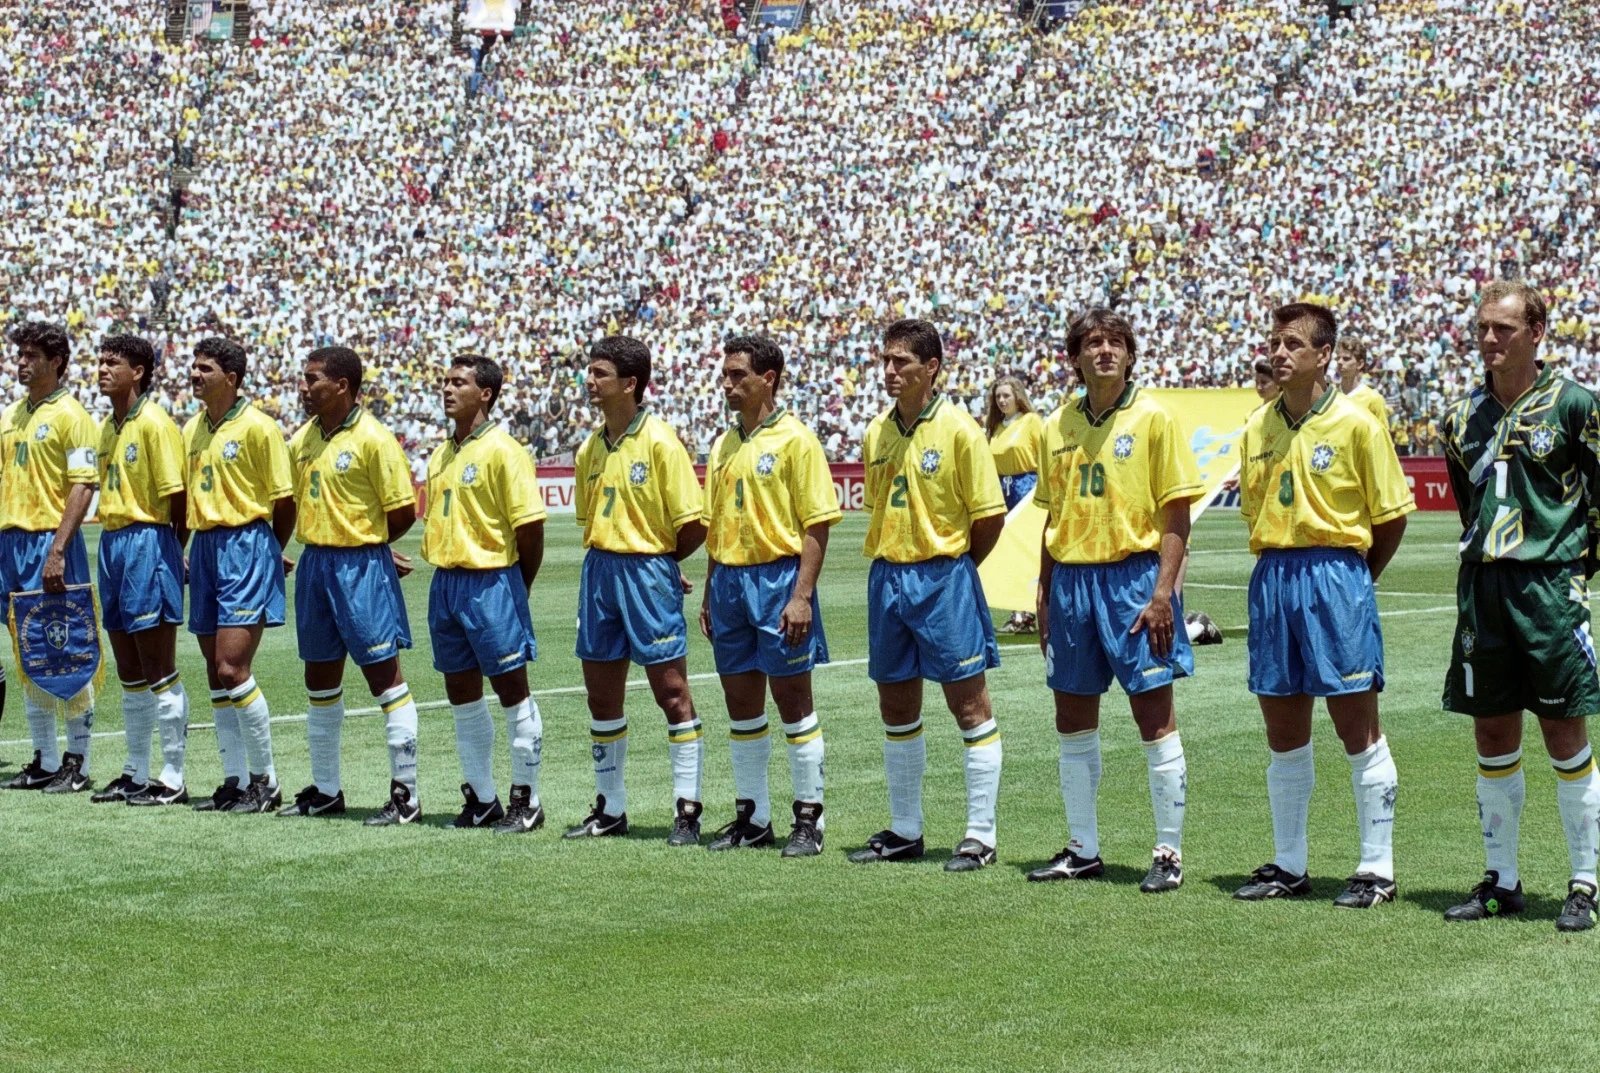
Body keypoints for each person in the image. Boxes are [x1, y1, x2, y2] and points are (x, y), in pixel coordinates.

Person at [1234, 302, 1413, 908]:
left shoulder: (1357, 423)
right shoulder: (1256, 428)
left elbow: (1390, 520)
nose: (1279, 354)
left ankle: (1376, 868)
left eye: (1292, 344)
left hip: (1336, 575)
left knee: (1356, 727)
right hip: (1274, 576)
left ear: (1323, 355)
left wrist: (1356, 580)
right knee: (1283, 730)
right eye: (1275, 342)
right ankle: (1289, 863)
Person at [1439, 281, 1600, 932]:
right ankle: (1501, 879)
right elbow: (1466, 504)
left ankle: (1585, 880)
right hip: (1484, 589)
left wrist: (1579, 572)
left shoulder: (1574, 404)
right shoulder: (1459, 419)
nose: (1489, 339)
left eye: (1503, 328)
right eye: (1481, 327)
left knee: (1565, 732)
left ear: (1536, 332)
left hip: (1549, 588)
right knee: (1492, 731)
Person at [1027, 309, 1201, 892]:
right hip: (1072, 582)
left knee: (1154, 717)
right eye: (1092, 343)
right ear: (1075, 356)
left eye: (1115, 342)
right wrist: (1045, 592)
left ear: (1130, 354)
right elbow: (1051, 517)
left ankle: (1169, 853)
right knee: (1072, 718)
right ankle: (1082, 847)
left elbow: (1177, 514)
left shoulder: (1154, 418)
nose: (1104, 351)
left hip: (1132, 580)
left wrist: (1162, 593)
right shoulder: (1056, 425)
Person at [848, 318, 1006, 872]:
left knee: (968, 703)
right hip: (887, 575)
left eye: (902, 362)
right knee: (896, 703)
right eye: (886, 361)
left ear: (931, 368)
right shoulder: (877, 431)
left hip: (943, 577)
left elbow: (989, 517)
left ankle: (980, 835)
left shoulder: (961, 430)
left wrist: (954, 569)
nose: (890, 372)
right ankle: (906, 829)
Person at [698, 334, 840, 856]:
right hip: (731, 583)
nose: (728, 385)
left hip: (778, 580)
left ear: (769, 379)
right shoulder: (723, 444)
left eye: (739, 375)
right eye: (726, 375)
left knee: (793, 701)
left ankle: (810, 818)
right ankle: (753, 816)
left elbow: (816, 525)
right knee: (741, 704)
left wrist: (801, 595)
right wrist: (711, 591)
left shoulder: (797, 440)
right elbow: (715, 527)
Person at [564, 336, 709, 845]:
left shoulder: (662, 443)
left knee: (671, 693)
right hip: (600, 572)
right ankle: (610, 809)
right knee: (601, 698)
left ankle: (687, 811)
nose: (590, 380)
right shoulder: (589, 448)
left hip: (647, 573)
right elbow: (591, 518)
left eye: (600, 373)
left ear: (630, 384)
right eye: (589, 371)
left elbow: (694, 524)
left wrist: (662, 563)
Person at [280, 346, 423, 824]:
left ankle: (406, 794)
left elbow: (402, 510)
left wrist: (372, 543)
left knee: (384, 678)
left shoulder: (374, 439)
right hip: (316, 564)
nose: (304, 386)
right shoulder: (303, 438)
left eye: (312, 378)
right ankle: (325, 790)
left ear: (341, 385)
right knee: (319, 681)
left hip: (360, 568)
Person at [421, 355, 548, 832]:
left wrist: (519, 585)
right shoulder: (442, 453)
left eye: (460, 383)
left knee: (512, 691)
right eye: (446, 381)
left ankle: (527, 801)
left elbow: (529, 530)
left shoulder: (504, 450)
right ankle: (482, 797)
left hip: (492, 579)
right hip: (447, 584)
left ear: (487, 394)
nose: (448, 389)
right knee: (461, 694)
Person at [183, 337, 296, 814]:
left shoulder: (259, 428)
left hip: (245, 543)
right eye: (193, 366)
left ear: (230, 377)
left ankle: (265, 781)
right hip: (206, 547)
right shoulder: (191, 428)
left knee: (233, 667)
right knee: (214, 671)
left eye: (204, 368)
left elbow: (284, 502)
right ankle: (232, 779)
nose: (194, 375)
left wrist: (270, 550)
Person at [88, 333, 191, 806]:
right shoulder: (108, 427)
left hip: (148, 540)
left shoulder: (155, 423)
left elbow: (178, 500)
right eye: (101, 361)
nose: (103, 369)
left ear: (140, 372)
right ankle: (135, 770)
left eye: (113, 363)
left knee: (157, 666)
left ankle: (172, 777)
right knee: (129, 667)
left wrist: (171, 552)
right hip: (112, 543)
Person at [1, 321, 99, 793]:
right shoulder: (11, 415)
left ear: (56, 362)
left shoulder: (72, 415)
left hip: (48, 540)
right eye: (18, 355)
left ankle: (77, 761)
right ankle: (42, 758)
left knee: (66, 646)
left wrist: (59, 548)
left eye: (30, 356)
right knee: (29, 653)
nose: (20, 363)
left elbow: (83, 484)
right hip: (9, 543)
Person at [985, 374, 1042, 634]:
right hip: (1002, 488)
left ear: (1017, 396)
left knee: (1027, 548)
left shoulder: (1031, 422)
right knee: (1007, 548)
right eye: (998, 397)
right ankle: (1016, 612)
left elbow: (1043, 456)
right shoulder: (996, 428)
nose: (1002, 400)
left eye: (1006, 395)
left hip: (1025, 485)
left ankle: (1028, 612)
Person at [1334, 337, 1391, 428]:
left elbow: (1382, 438)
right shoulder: (1330, 394)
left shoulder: (1373, 399)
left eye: (1346, 359)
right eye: (1338, 358)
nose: (1339, 362)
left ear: (1360, 364)